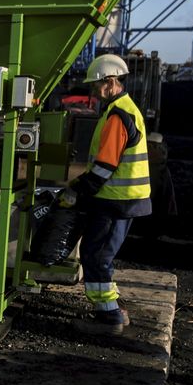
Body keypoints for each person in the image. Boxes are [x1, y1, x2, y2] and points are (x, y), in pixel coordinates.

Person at [59, 53, 152, 335]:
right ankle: (112, 310)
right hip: (124, 200)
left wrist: (78, 190)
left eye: (96, 86)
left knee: (95, 255)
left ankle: (109, 316)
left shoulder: (117, 116)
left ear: (110, 82)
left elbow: (105, 166)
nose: (93, 91)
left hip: (115, 201)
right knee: (102, 253)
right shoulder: (125, 109)